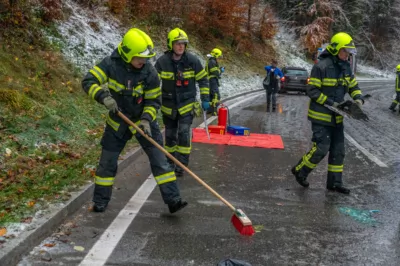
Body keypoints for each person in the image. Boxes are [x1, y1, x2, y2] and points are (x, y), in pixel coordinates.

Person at [81, 28, 187, 213]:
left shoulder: (150, 72)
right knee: (107, 163)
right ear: (127, 54)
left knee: (160, 160)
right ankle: (100, 202)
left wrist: (146, 120)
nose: (144, 61)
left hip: (143, 122)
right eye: (140, 58)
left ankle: (173, 200)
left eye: (146, 58)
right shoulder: (110, 64)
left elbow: (153, 101)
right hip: (118, 122)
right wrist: (103, 97)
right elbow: (89, 81)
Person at [291, 32, 365, 194]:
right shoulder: (321, 67)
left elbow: (353, 86)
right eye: (346, 51)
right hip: (321, 117)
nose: (348, 55)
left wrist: (358, 99)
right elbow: (312, 90)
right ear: (336, 49)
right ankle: (300, 170)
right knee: (321, 149)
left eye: (350, 52)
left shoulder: (345, 68)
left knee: (338, 151)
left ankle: (334, 183)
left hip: (337, 118)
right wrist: (331, 103)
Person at [155, 28, 210, 177]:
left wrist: (205, 98)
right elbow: (152, 83)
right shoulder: (162, 62)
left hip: (186, 105)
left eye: (183, 44)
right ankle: (170, 161)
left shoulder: (192, 61)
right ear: (170, 44)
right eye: (177, 43)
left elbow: (203, 80)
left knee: (184, 133)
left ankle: (181, 165)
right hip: (168, 107)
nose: (180, 46)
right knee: (171, 136)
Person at [206, 48, 224, 115]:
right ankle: (214, 111)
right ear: (215, 56)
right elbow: (216, 73)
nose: (219, 59)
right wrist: (221, 70)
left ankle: (210, 110)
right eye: (219, 57)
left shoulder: (211, 61)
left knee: (211, 95)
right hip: (212, 80)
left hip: (210, 80)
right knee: (216, 96)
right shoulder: (212, 62)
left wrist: (219, 69)